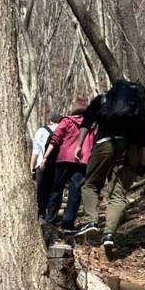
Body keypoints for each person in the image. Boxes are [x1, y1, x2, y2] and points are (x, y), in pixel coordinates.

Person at [73, 80, 145, 250]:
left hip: (105, 143)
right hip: (131, 150)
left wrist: (79, 145)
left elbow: (86, 123)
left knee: (91, 185)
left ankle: (91, 222)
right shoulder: (138, 107)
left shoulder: (102, 100)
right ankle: (109, 234)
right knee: (118, 194)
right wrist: (144, 161)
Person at [40, 98, 94, 235]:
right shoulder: (91, 125)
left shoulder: (67, 121)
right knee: (75, 192)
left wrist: (45, 157)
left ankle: (49, 221)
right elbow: (93, 144)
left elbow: (55, 139)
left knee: (56, 189)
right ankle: (68, 225)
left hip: (63, 159)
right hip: (82, 161)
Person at [30, 113, 63, 219]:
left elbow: (36, 150)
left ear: (51, 121)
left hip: (42, 165)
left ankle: (41, 215)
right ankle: (51, 217)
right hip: (59, 166)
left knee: (42, 190)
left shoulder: (41, 131)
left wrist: (32, 166)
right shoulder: (64, 130)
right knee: (56, 191)